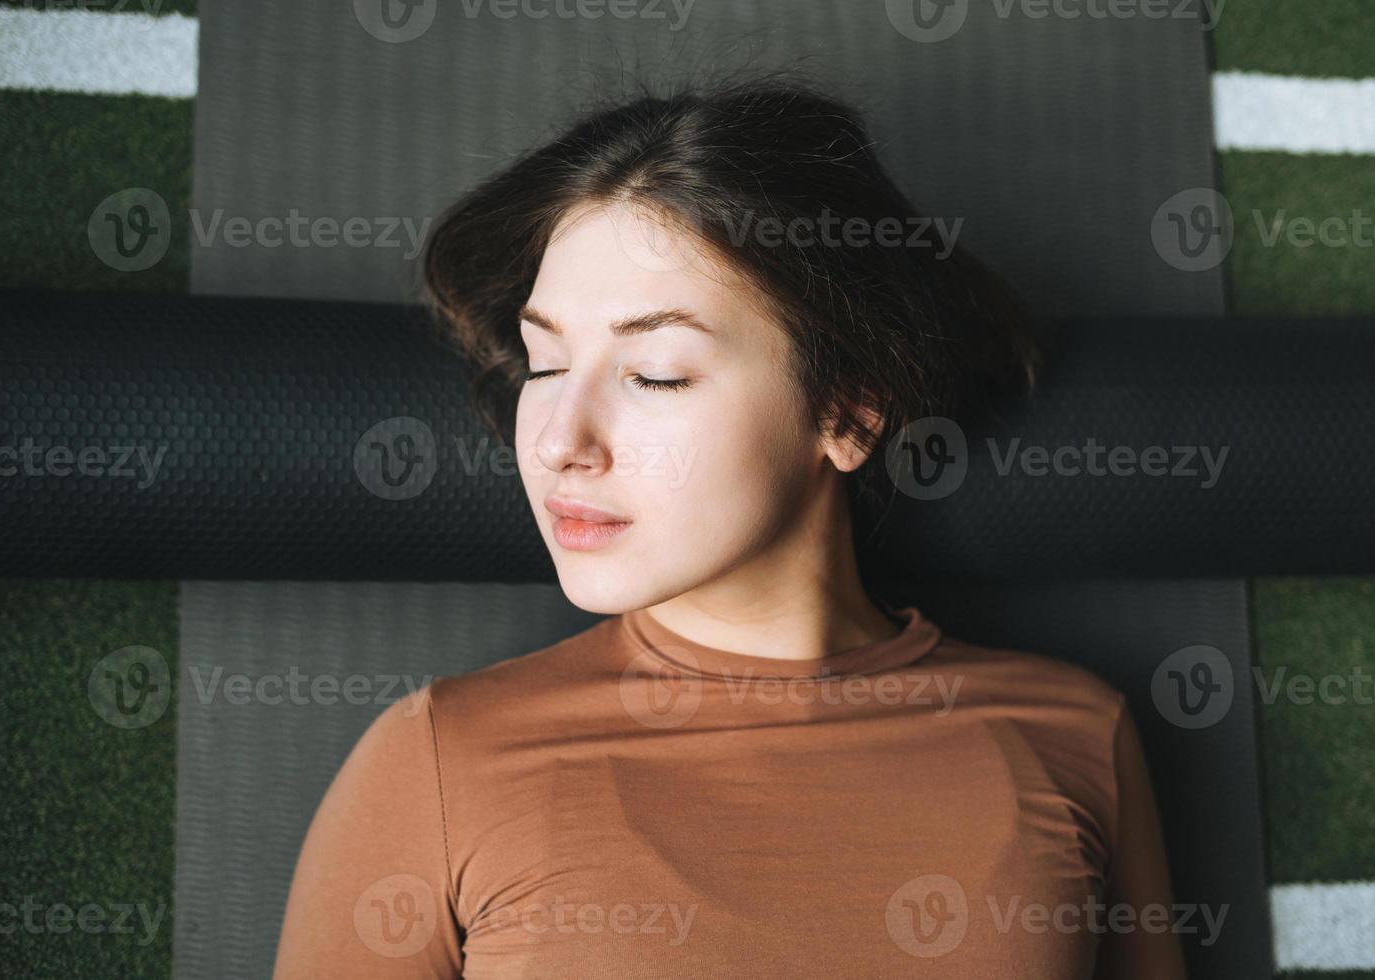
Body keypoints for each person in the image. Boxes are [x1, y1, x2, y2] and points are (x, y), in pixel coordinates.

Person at [272, 69, 1187, 979]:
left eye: (655, 374)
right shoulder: (434, 763)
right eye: (544, 364)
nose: (557, 443)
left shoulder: (1073, 734)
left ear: (849, 413)